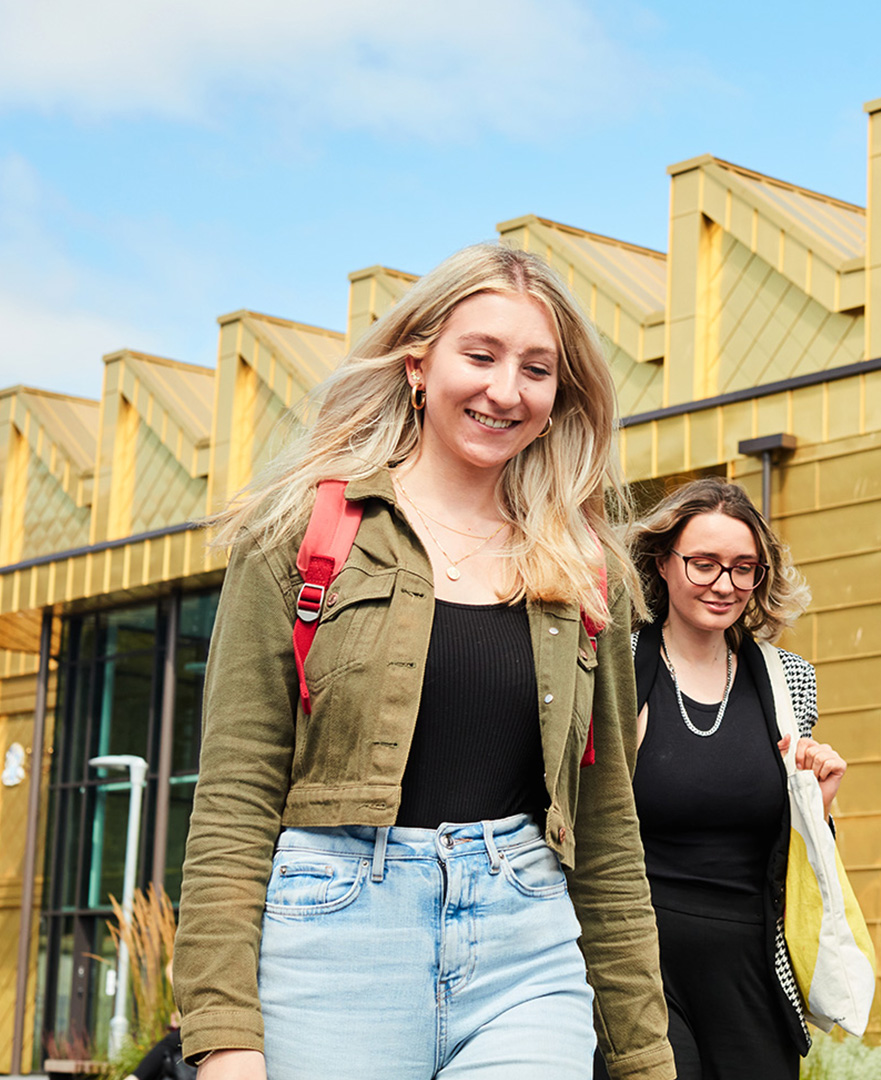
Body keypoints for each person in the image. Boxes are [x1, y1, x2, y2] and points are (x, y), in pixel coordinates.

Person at [172, 244, 675, 1080]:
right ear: (418, 364)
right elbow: (234, 799)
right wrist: (225, 1036)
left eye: (537, 370)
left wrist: (644, 1056)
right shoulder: (299, 535)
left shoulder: (585, 565)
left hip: (527, 947)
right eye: (479, 355)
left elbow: (608, 824)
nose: (504, 390)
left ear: (559, 398)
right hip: (335, 942)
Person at [596, 478, 847, 1080]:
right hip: (636, 963)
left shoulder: (788, 680)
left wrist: (822, 805)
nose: (724, 584)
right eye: (704, 564)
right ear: (662, 562)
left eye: (743, 568)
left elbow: (800, 856)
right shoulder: (616, 666)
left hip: (753, 967)